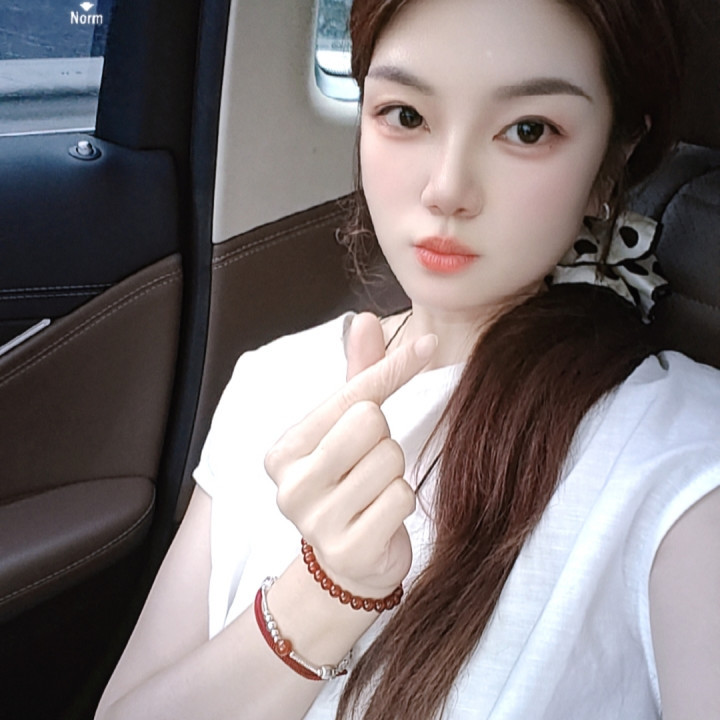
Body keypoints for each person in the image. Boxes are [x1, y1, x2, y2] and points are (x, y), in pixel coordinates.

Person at [95, 0, 720, 718]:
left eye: (528, 129)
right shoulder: (271, 378)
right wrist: (325, 594)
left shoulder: (681, 458)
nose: (446, 188)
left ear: (611, 163)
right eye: (407, 115)